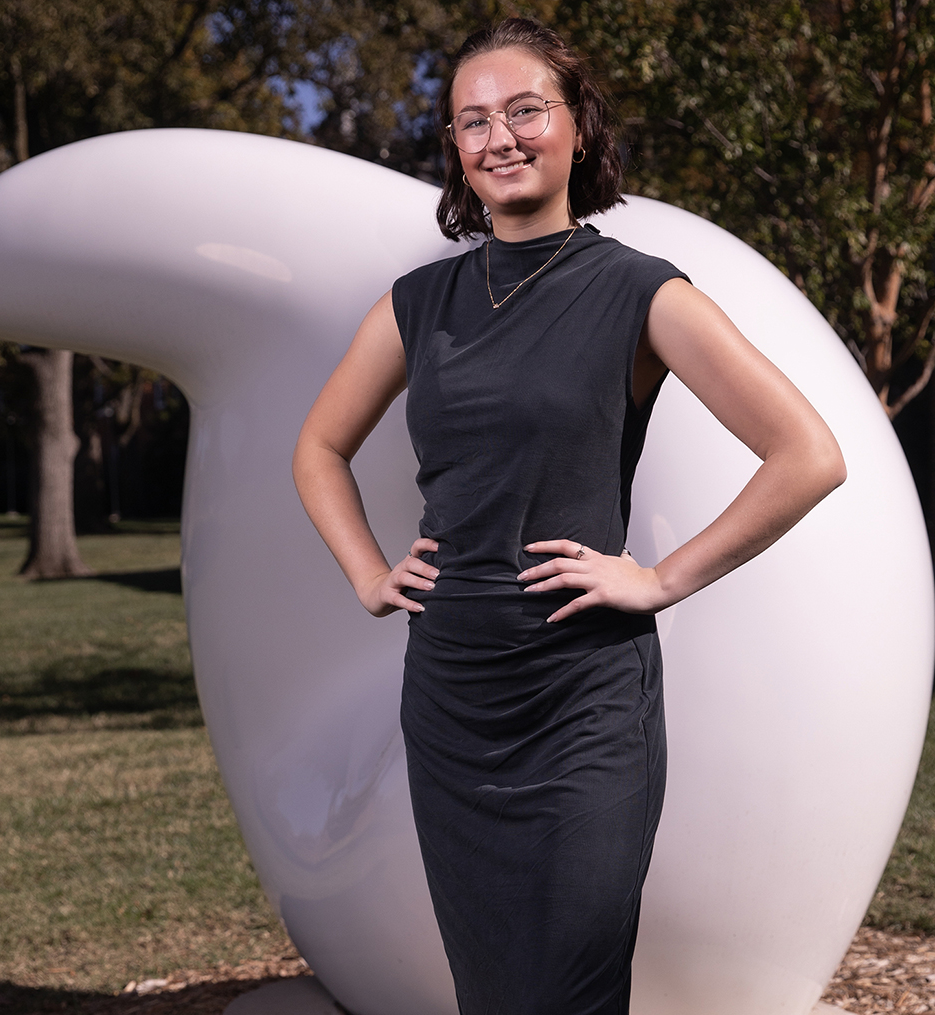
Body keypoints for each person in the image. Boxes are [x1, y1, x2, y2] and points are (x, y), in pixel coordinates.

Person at [292, 17, 845, 1015]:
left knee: (569, 982)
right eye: (472, 120)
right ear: (455, 148)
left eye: (523, 110)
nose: (499, 136)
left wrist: (662, 576)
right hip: (454, 696)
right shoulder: (418, 303)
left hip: (583, 696)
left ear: (575, 127)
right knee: (497, 986)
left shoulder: (641, 291)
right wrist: (368, 573)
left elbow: (808, 454)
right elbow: (316, 448)